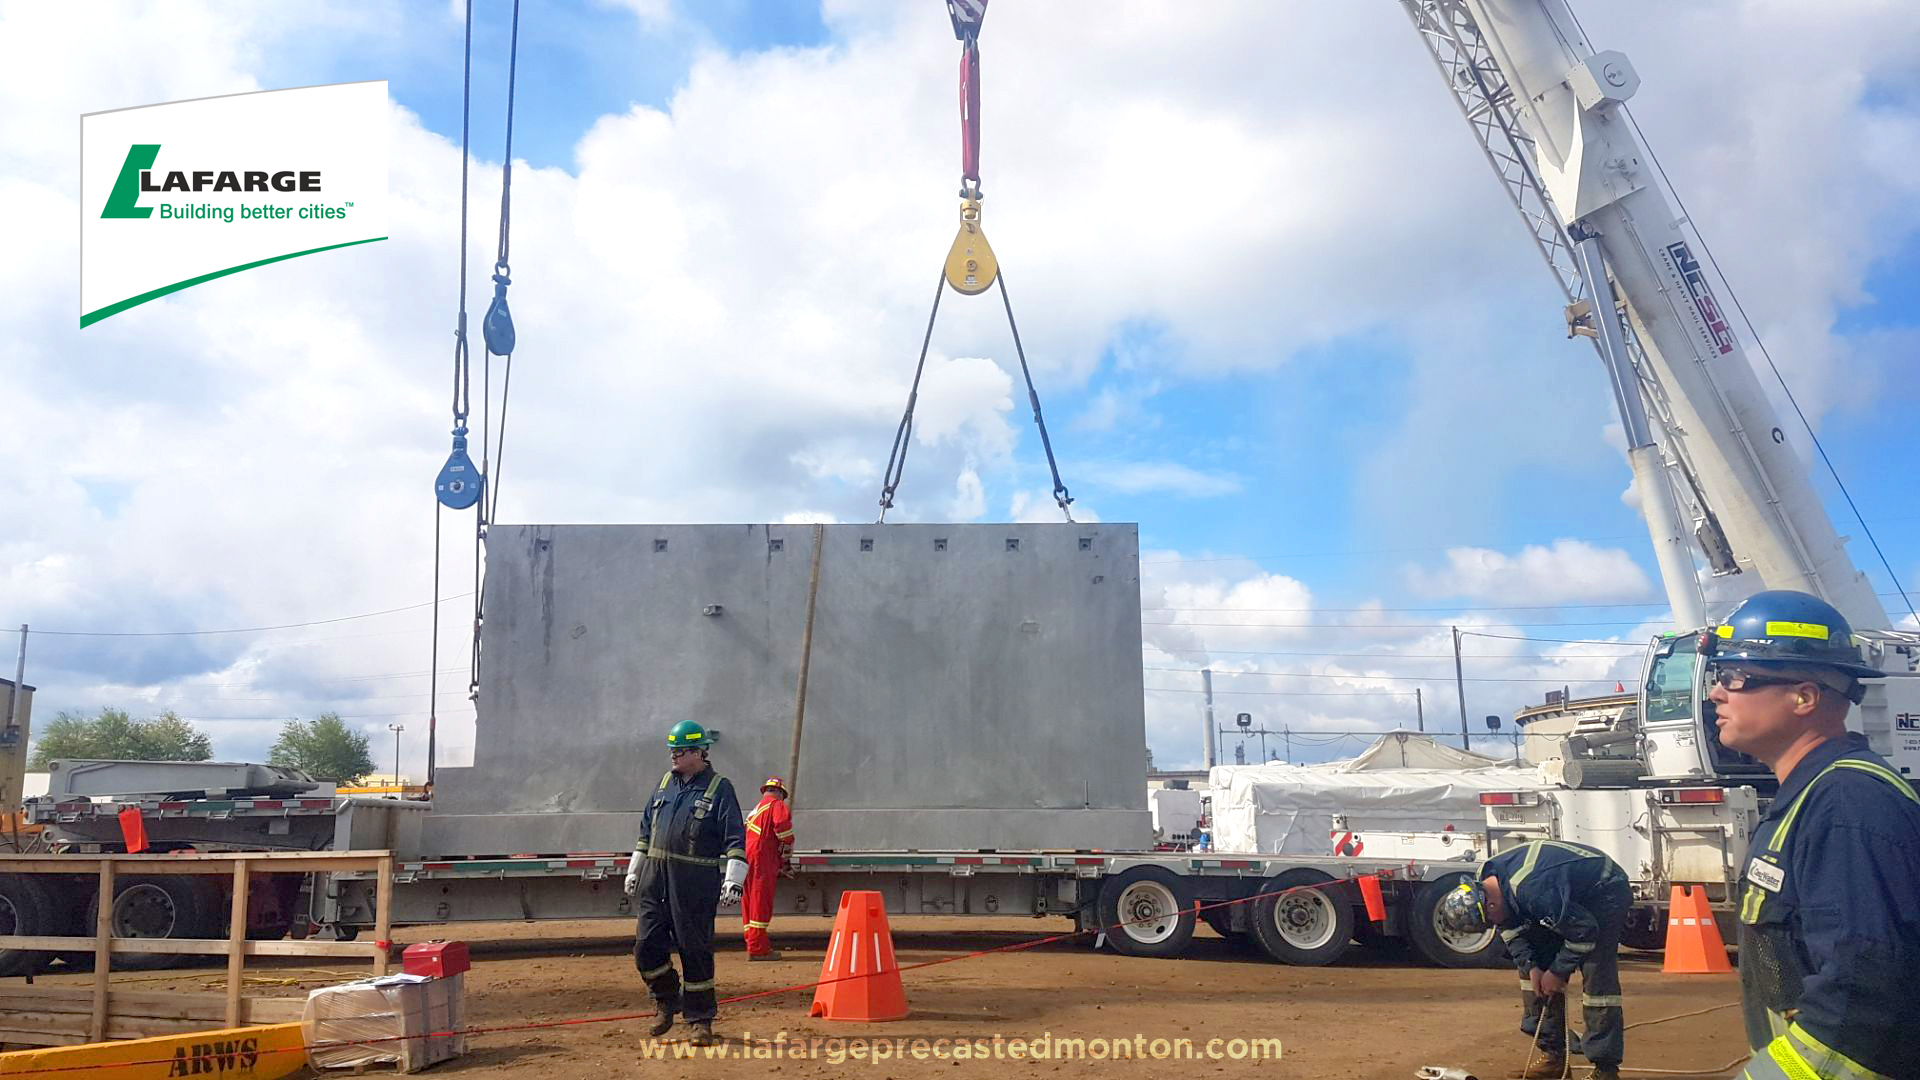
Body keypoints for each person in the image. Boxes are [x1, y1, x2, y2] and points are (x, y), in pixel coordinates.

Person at [1701, 590, 1920, 1080]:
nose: (1716, 693)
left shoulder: (1847, 803)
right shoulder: (1810, 796)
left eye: (1736, 677)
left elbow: (1862, 992)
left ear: (1804, 697)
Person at [1439, 840, 1631, 1080]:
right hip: (1559, 896)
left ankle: (1605, 1070)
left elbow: (1584, 931)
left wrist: (1558, 972)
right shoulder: (1485, 879)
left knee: (1597, 976)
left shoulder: (1532, 890)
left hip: (1603, 890)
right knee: (1533, 972)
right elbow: (1510, 929)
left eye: (1491, 921)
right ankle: (1554, 1057)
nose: (1495, 926)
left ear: (1490, 904)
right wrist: (1532, 967)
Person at [623, 720, 747, 1046]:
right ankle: (666, 999)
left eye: (680, 751)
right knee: (646, 946)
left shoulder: (720, 788)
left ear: (699, 752)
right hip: (656, 878)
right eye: (672, 751)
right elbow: (646, 830)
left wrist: (734, 879)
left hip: (694, 883)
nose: (674, 757)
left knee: (695, 950)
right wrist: (635, 868)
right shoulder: (665, 784)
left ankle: (700, 1020)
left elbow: (735, 837)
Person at [741, 775, 794, 960]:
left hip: (747, 856)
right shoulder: (776, 805)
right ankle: (758, 949)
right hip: (763, 857)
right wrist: (788, 842)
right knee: (760, 900)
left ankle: (752, 941)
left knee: (749, 899)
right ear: (780, 793)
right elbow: (781, 825)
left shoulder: (755, 809)